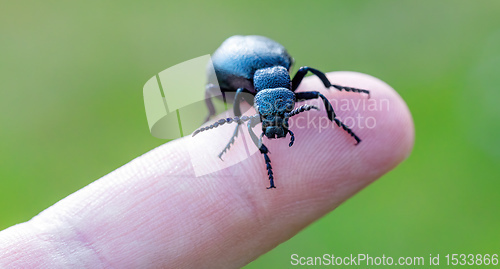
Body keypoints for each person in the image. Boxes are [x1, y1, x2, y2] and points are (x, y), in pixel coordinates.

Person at [0, 72, 414, 268]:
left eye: (280, 116)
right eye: (270, 119)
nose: (276, 126)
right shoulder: (248, 91)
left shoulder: (292, 87)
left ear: (287, 98)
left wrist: (337, 115)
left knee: (318, 97)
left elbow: (310, 95)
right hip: (239, 67)